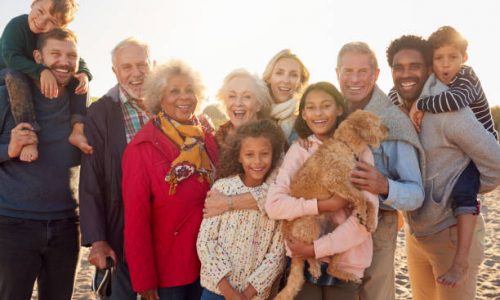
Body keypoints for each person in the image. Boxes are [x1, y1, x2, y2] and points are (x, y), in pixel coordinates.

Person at [387, 34, 500, 300]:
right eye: (398, 67)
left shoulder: (449, 110)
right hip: (417, 237)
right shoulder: (401, 106)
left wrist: (451, 191)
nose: (406, 74)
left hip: (451, 235)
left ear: (428, 69)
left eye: (414, 66)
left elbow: (495, 163)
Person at [265, 82, 377, 299]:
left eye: (325, 105)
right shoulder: (299, 150)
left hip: (346, 263)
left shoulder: (360, 153)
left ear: (339, 109)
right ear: (304, 114)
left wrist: (317, 249)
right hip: (304, 261)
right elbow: (274, 205)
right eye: (311, 107)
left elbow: (365, 221)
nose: (318, 113)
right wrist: (324, 205)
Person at [335, 42, 425, 300]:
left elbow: (416, 193)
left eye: (362, 71)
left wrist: (385, 186)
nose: (354, 79)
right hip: (332, 224)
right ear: (337, 73)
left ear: (375, 75)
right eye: (347, 71)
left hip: (377, 229)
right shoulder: (331, 112)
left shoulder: (393, 121)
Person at [122, 60, 218, 300]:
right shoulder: (142, 147)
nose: (183, 97)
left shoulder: (208, 138)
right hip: (169, 269)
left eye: (189, 90)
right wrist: (144, 281)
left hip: (212, 264)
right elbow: (136, 220)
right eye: (174, 91)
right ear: (159, 98)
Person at [0, 28, 81, 300]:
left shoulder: (77, 103)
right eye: (55, 54)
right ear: (37, 56)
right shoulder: (7, 96)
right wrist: (9, 149)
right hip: (12, 224)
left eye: (71, 55)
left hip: (67, 225)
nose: (64, 61)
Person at [78, 37, 153, 300]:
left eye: (142, 65)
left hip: (166, 229)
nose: (136, 74)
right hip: (120, 228)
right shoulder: (101, 112)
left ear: (153, 65)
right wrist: (97, 240)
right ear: (115, 71)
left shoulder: (170, 105)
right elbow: (91, 179)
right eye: (127, 67)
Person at [197, 119, 286, 300]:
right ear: (239, 156)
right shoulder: (223, 188)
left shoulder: (277, 198)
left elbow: (277, 256)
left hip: (253, 295)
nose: (257, 161)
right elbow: (205, 243)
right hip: (216, 291)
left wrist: (247, 294)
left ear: (274, 155)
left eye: (264, 154)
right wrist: (228, 291)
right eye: (249, 154)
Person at [0, 0, 93, 162]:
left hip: (31, 73)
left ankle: (78, 129)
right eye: (40, 11)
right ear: (33, 3)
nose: (42, 21)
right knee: (15, 76)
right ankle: (29, 134)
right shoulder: (17, 25)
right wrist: (41, 71)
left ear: (60, 27)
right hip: (6, 73)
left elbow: (76, 56)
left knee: (77, 79)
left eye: (52, 21)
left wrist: (84, 73)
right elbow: (10, 57)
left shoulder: (51, 36)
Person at [202, 69, 273, 218]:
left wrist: (227, 203)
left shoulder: (272, 137)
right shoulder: (217, 139)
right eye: (232, 96)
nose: (238, 103)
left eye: (246, 97)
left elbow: (278, 192)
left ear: (258, 104)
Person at [262, 49, 310, 144]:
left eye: (293, 75)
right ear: (268, 77)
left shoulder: (305, 125)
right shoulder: (252, 114)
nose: (286, 80)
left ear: (300, 83)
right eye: (279, 73)